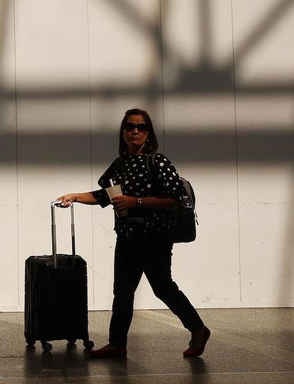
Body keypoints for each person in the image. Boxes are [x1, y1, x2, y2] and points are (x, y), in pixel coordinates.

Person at [56, 108, 210, 359]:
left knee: (163, 288)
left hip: (155, 237)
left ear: (148, 133)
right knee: (123, 290)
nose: (135, 131)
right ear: (123, 131)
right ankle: (117, 343)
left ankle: (198, 328)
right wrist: (74, 197)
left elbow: (174, 199)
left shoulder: (157, 161)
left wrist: (135, 202)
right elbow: (106, 195)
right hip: (128, 237)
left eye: (141, 127)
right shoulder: (120, 165)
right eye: (129, 127)